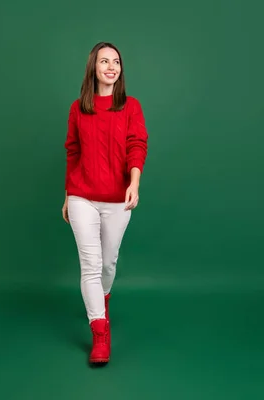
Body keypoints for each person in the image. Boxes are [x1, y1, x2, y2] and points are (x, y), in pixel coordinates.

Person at [62, 42, 149, 365]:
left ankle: (103, 300)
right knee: (90, 265)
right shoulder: (77, 108)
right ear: (93, 68)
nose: (111, 67)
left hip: (117, 199)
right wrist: (68, 196)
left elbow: (137, 144)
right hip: (82, 196)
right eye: (104, 61)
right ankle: (99, 332)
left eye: (116, 61)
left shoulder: (131, 107)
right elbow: (73, 153)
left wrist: (134, 183)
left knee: (108, 264)